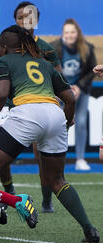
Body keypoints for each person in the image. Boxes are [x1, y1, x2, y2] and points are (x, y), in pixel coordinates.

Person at [0, 25, 100, 243]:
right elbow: (70, 98)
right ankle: (89, 230)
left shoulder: (3, 62)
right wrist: (65, 121)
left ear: (4, 47)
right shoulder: (44, 64)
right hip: (54, 114)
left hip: (27, 113)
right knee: (57, 180)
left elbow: (0, 94)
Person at [0, 1, 62, 213]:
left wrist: (60, 103)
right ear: (15, 21)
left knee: (42, 157)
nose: (25, 21)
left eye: (29, 17)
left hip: (40, 106)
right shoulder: (6, 46)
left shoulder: (46, 49)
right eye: (20, 17)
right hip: (10, 107)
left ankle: (46, 200)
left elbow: (59, 78)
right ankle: (9, 193)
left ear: (37, 20)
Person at [51, 18, 97, 171]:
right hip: (60, 93)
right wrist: (64, 88)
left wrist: (78, 87)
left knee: (81, 123)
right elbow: (50, 70)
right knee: (58, 125)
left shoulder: (87, 48)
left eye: (72, 32)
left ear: (77, 33)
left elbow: (92, 71)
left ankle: (80, 159)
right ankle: (56, 160)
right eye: (66, 32)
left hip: (80, 92)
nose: (70, 35)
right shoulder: (54, 47)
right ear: (63, 34)